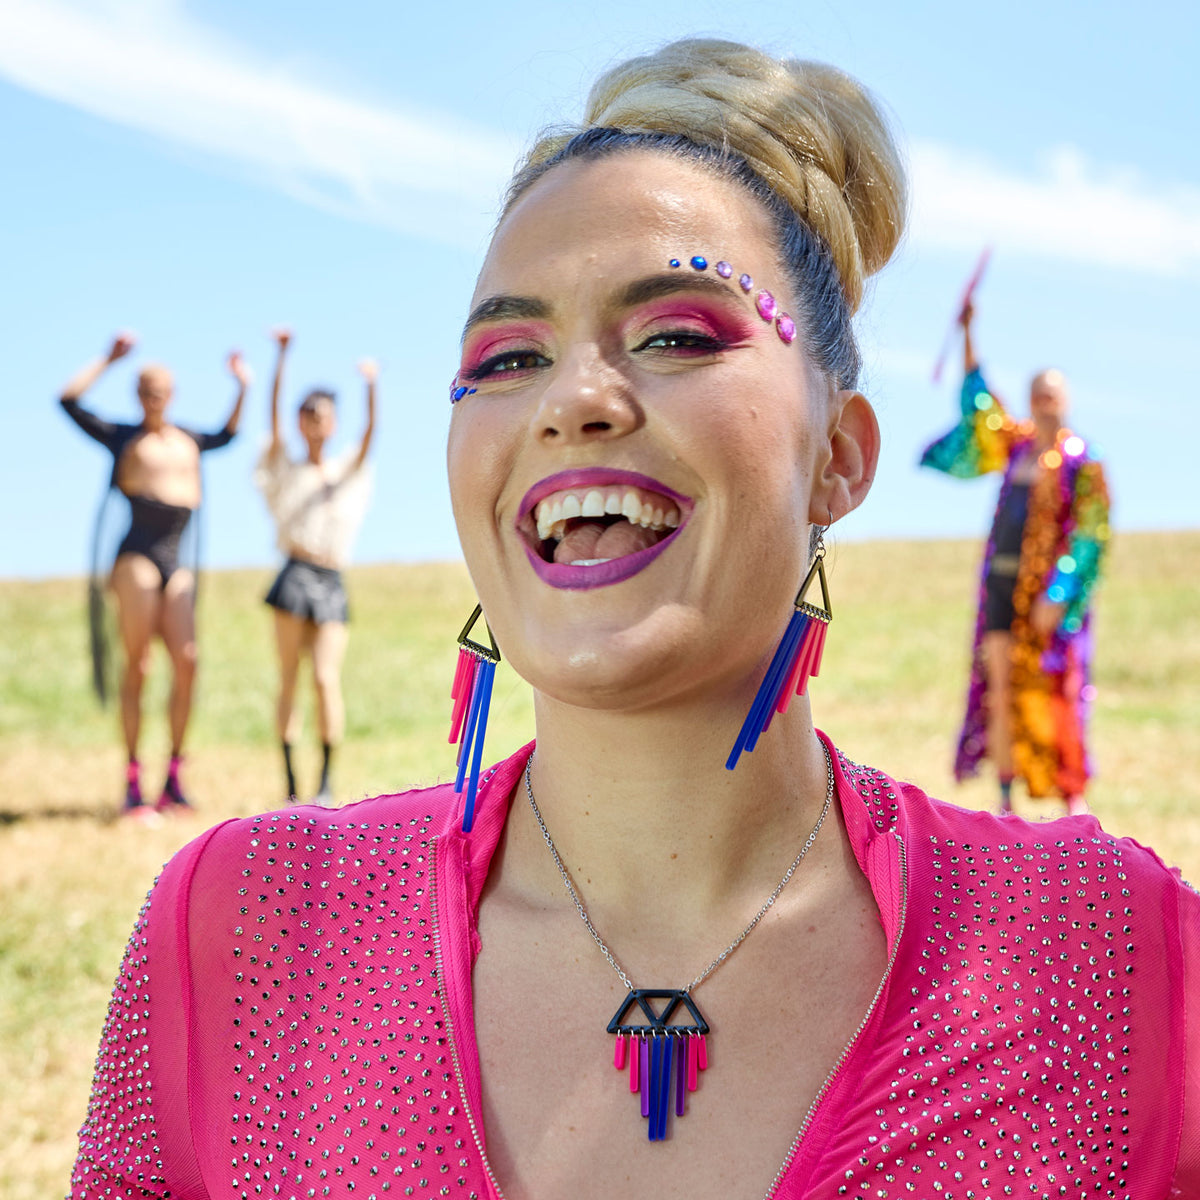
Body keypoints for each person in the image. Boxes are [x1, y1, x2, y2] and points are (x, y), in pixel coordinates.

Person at [69, 40, 1197, 1199]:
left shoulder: (1119, 960)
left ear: (840, 457)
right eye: (508, 354)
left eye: (675, 336)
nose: (574, 399)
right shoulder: (244, 933)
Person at [921, 302, 1111, 816]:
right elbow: (982, 410)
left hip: (1048, 597)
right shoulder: (1018, 447)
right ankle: (1005, 801)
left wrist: (1059, 592)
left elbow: (1090, 535)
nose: (1045, 403)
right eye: (1038, 395)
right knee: (999, 687)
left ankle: (1073, 800)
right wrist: (967, 337)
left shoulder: (1084, 461)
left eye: (1053, 395)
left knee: (1058, 689)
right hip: (1000, 589)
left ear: (1067, 400)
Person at [59, 333, 248, 816]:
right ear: (136, 394)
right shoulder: (125, 438)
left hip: (175, 557)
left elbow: (229, 435)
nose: (153, 394)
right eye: (145, 386)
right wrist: (108, 358)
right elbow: (69, 401)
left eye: (160, 386)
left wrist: (242, 386)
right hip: (135, 555)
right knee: (139, 664)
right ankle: (131, 781)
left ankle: (173, 779)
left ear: (173, 392)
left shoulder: (189, 440)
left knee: (187, 660)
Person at [255, 329, 377, 804]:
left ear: (333, 422)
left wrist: (371, 386)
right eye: (308, 416)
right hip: (293, 573)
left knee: (326, 678)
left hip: (331, 579)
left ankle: (325, 783)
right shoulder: (286, 466)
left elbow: (368, 438)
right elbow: (272, 419)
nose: (316, 423)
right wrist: (281, 359)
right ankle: (289, 784)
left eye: (323, 416)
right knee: (289, 676)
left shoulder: (347, 471)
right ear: (300, 422)